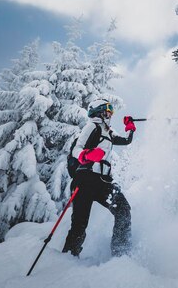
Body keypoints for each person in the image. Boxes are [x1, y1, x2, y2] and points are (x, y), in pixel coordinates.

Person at [62, 98, 136, 257]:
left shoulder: (108, 131)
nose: (109, 114)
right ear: (98, 112)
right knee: (79, 224)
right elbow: (76, 149)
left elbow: (126, 141)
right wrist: (86, 155)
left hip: (103, 182)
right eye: (106, 111)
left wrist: (130, 128)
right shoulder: (92, 126)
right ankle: (68, 257)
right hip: (85, 180)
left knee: (123, 210)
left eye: (111, 111)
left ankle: (121, 253)